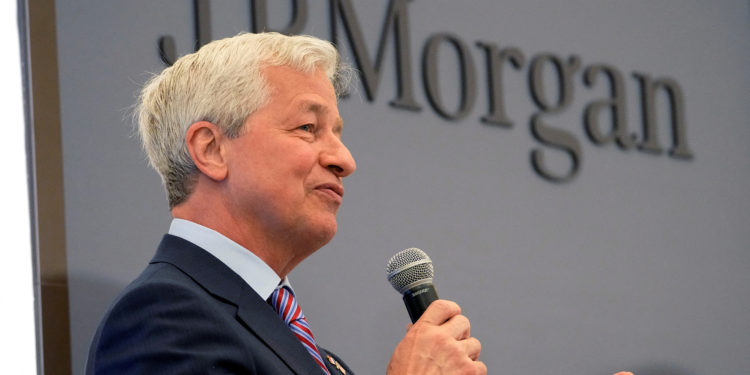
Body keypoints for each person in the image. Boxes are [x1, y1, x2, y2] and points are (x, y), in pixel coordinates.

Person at [85, 32, 486, 374]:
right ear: (211, 150)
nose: (344, 160)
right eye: (308, 127)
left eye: (337, 132)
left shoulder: (317, 356)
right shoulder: (163, 318)